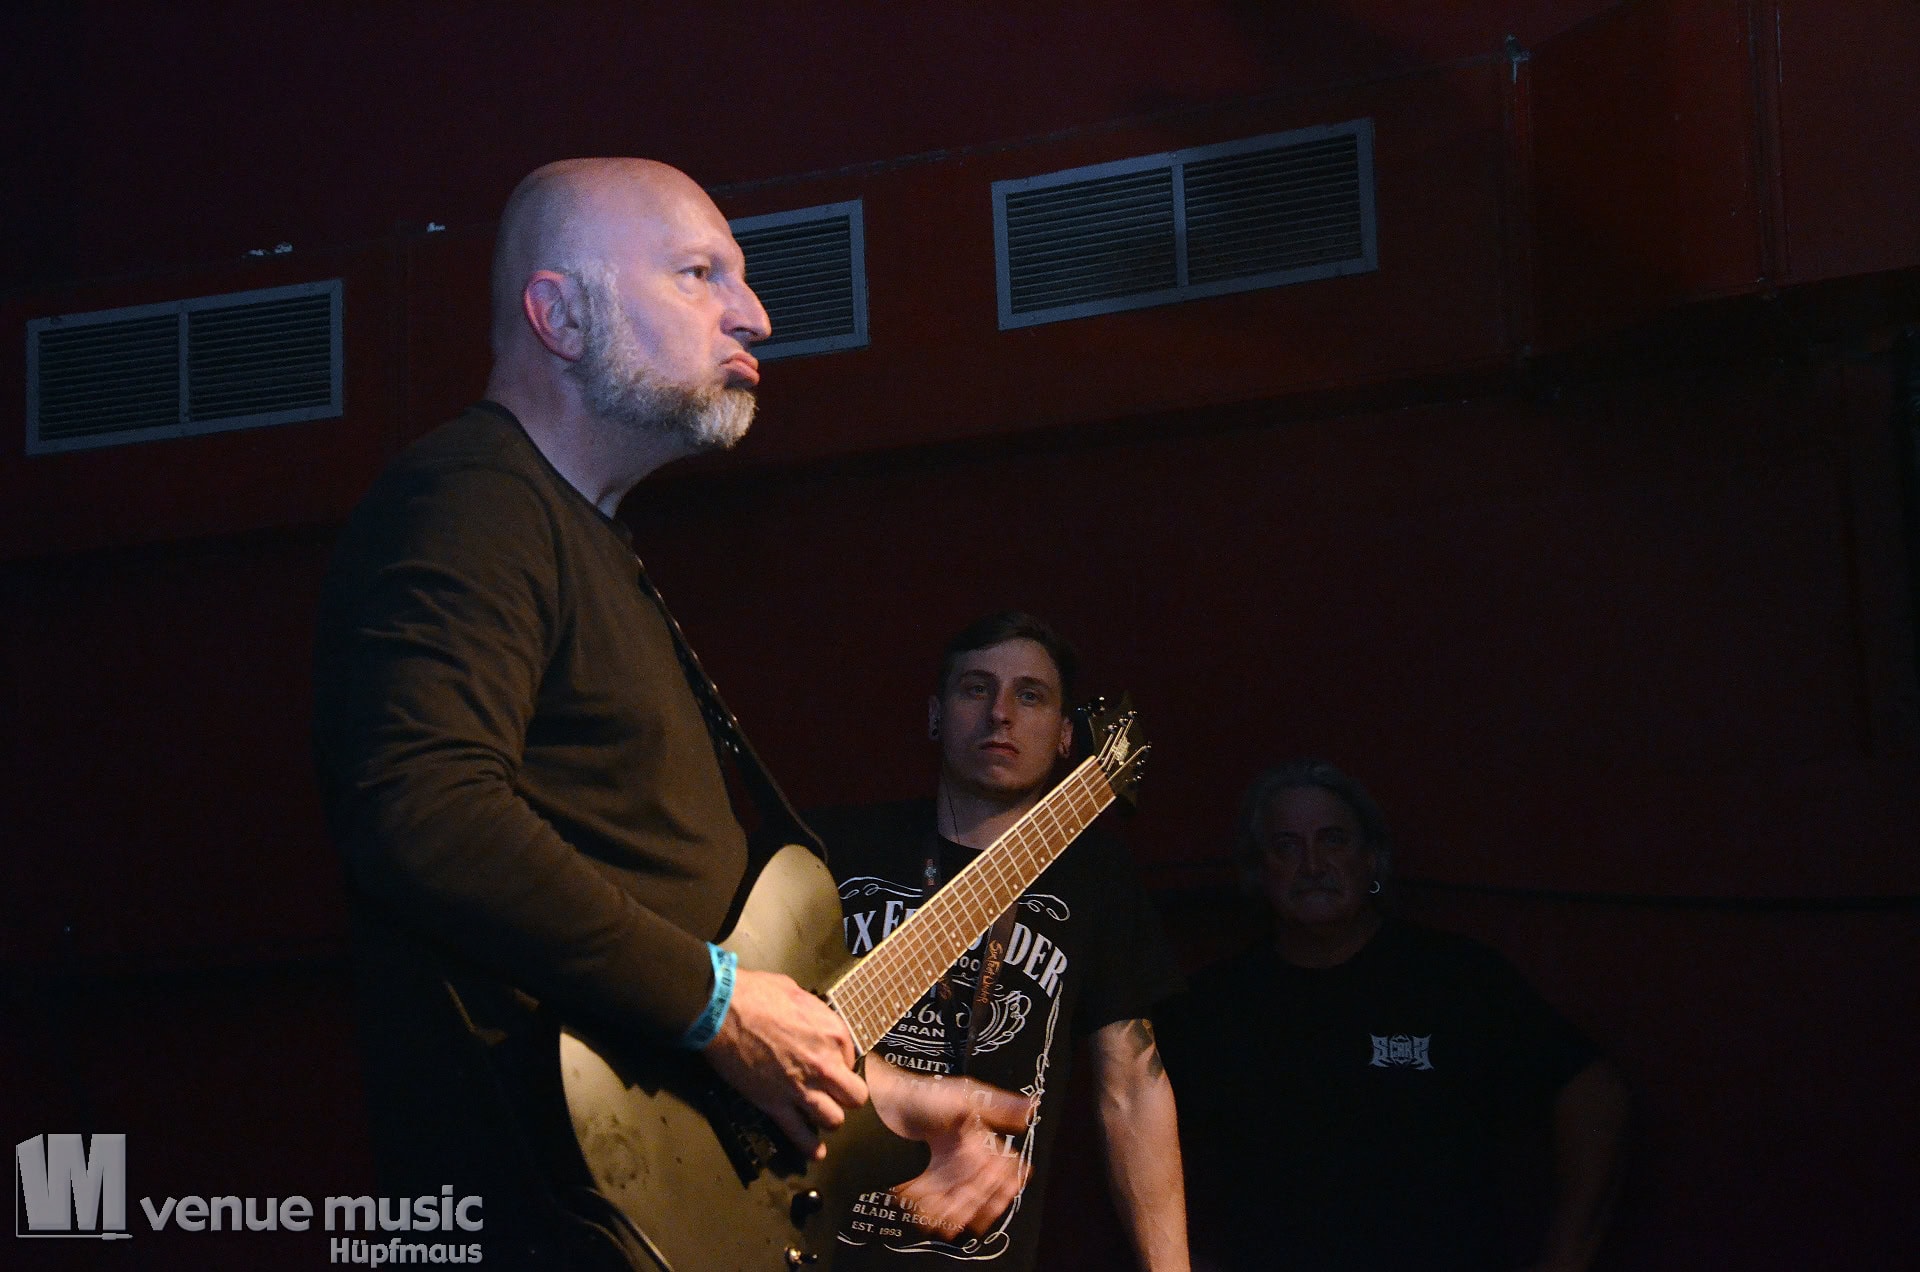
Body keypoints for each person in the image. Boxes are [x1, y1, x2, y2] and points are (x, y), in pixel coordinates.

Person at [311, 158, 1026, 1267]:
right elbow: (424, 809)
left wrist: (864, 1092)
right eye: (701, 274)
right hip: (541, 1214)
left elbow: (656, 953)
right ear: (559, 316)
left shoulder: (583, 536)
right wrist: (718, 1005)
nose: (755, 314)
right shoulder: (471, 501)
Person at [810, 612, 1192, 1271]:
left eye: (1030, 695)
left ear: (1067, 735)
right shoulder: (833, 848)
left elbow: (1132, 1086)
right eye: (975, 688)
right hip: (804, 1235)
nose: (1000, 714)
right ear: (935, 714)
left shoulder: (1096, 877)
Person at [1159, 760, 1629, 1272]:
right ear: (1259, 871)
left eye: (1333, 840)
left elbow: (1594, 1094)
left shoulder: (1453, 978)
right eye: (1286, 846)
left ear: (1371, 859)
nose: (1312, 865)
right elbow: (1129, 1116)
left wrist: (1565, 1259)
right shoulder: (1217, 1004)